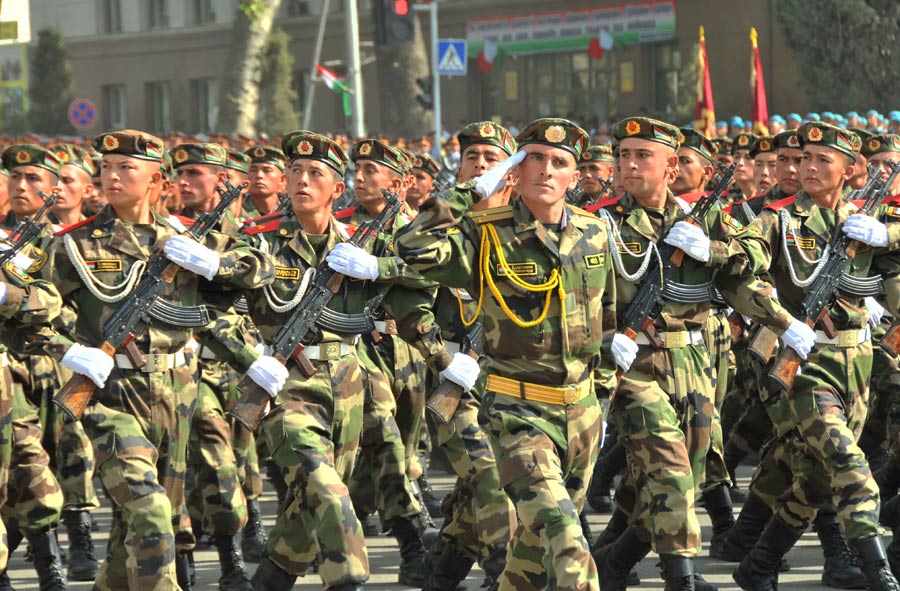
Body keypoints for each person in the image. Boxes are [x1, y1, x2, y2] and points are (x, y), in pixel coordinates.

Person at [36, 129, 274, 591]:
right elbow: (33, 312)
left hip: (177, 391)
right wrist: (70, 349)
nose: (113, 176)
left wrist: (212, 264)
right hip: (109, 394)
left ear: (157, 181)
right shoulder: (73, 245)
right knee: (151, 511)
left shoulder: (183, 241)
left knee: (139, 524)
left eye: (127, 167)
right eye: (106, 167)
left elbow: (256, 273)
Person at [396, 117, 616, 591]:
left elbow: (607, 320)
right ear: (516, 169)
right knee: (569, 545)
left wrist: (603, 398)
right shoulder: (486, 234)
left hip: (582, 414)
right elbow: (413, 247)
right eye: (534, 157)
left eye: (560, 162)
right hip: (519, 415)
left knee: (531, 559)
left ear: (575, 178)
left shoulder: (594, 232)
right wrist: (470, 192)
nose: (546, 170)